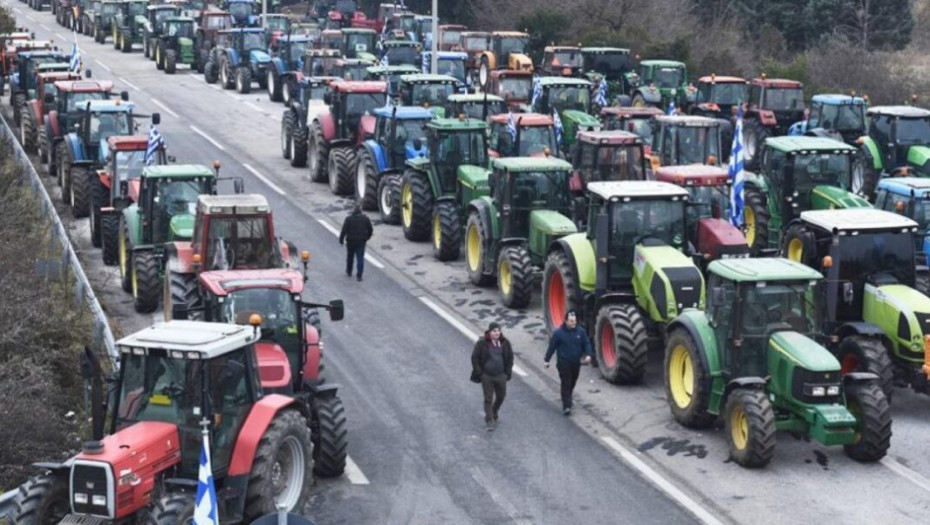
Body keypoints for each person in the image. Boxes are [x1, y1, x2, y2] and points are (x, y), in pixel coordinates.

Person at [544, 310, 593, 415]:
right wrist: (546, 360)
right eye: (571, 321)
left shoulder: (581, 332)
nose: (573, 323)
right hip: (563, 363)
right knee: (566, 383)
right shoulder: (558, 334)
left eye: (574, 321)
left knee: (572, 382)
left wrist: (588, 354)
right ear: (565, 321)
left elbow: (586, 343)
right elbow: (551, 347)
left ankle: (568, 397)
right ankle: (566, 405)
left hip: (576, 363)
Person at [470, 322, 513, 431]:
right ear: (489, 332)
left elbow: (510, 358)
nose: (497, 333)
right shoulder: (482, 343)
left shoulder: (505, 343)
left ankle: (494, 411)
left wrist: (507, 373)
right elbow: (474, 358)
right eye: (494, 331)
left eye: (498, 330)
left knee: (501, 396)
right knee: (488, 398)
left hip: (501, 375)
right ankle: (489, 420)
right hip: (487, 376)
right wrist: (480, 373)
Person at [339, 203, 373, 281]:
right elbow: (370, 229)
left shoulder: (348, 219)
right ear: (361, 210)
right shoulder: (365, 219)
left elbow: (344, 230)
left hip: (350, 241)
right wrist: (367, 237)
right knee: (360, 258)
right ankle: (359, 275)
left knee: (350, 257)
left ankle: (349, 270)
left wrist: (341, 239)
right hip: (361, 241)